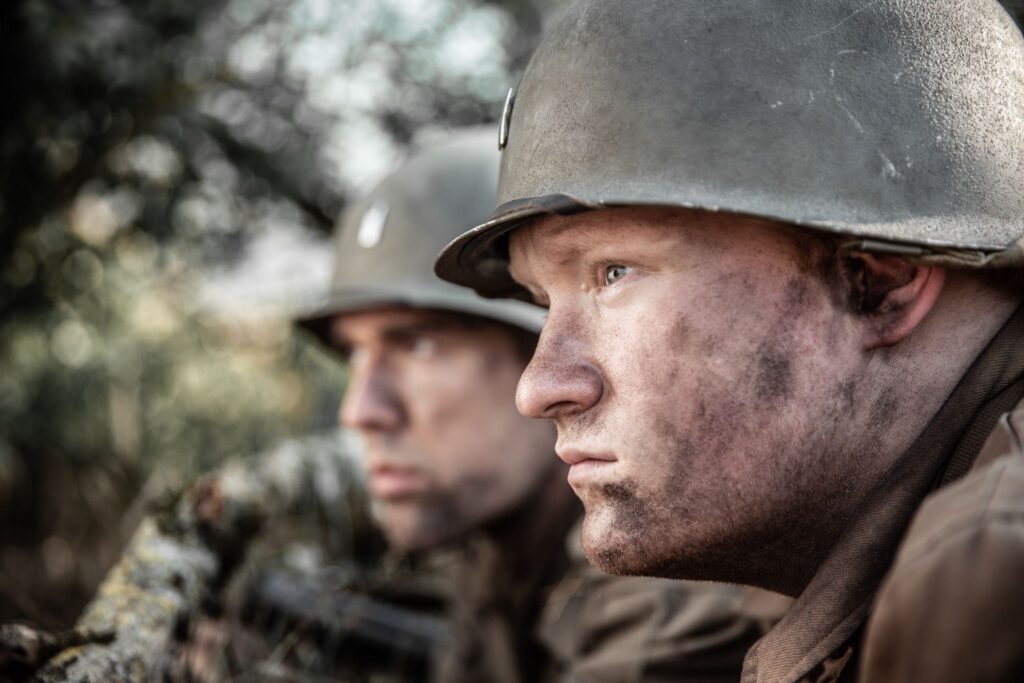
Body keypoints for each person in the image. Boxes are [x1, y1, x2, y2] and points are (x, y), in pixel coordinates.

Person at [434, 2, 1024, 682]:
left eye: (614, 273)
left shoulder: (993, 568)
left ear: (877, 281)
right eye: (543, 301)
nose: (540, 387)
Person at [299, 129, 778, 682]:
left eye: (417, 344)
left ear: (537, 341)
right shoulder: (498, 548)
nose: (361, 410)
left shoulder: (673, 583)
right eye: (353, 354)